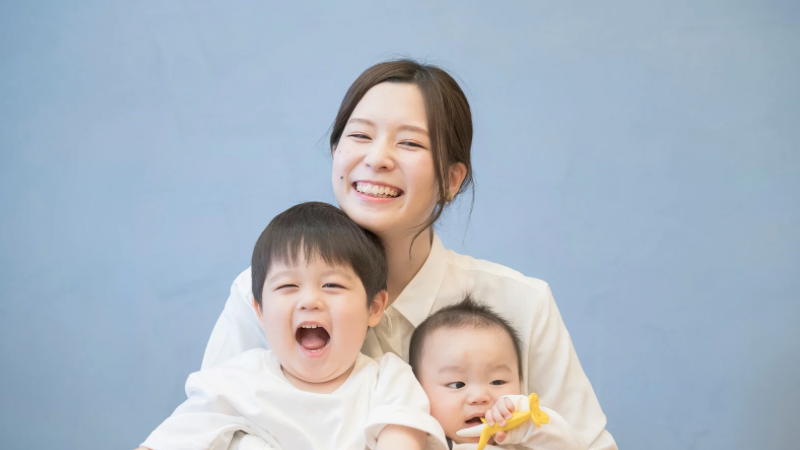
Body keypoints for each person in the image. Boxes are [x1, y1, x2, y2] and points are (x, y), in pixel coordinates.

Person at [202, 59, 617, 449]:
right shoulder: (265, 294)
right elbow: (207, 430)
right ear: (336, 153)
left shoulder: (521, 304)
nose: (377, 158)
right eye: (360, 136)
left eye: (410, 142)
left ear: (451, 179)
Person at [138, 202, 447, 450]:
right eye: (288, 286)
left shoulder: (388, 381)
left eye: (332, 285)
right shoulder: (236, 382)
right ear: (259, 311)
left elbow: (402, 438)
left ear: (374, 307)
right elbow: (168, 440)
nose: (310, 301)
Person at [409, 296, 588, 449]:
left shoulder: (524, 442)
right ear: (418, 389)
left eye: (497, 382)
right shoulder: (415, 440)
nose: (479, 397)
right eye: (457, 385)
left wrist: (530, 426)